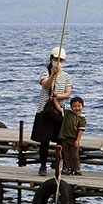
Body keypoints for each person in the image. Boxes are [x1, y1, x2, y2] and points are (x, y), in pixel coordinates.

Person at [31, 46, 72, 176]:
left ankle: (60, 164)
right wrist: (52, 74)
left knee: (60, 141)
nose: (58, 62)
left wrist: (57, 96)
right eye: (56, 59)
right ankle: (42, 165)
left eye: (61, 60)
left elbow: (67, 94)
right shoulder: (45, 73)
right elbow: (46, 85)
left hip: (59, 111)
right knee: (44, 140)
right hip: (45, 111)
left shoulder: (66, 76)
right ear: (51, 58)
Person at [57, 96, 86, 176]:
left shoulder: (82, 119)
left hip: (74, 139)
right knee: (66, 154)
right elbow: (59, 109)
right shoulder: (68, 113)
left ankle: (76, 169)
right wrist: (55, 100)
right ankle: (68, 168)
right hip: (65, 138)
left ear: (82, 107)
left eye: (79, 106)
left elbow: (80, 131)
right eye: (74, 106)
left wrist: (77, 140)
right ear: (71, 107)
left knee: (75, 155)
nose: (77, 108)